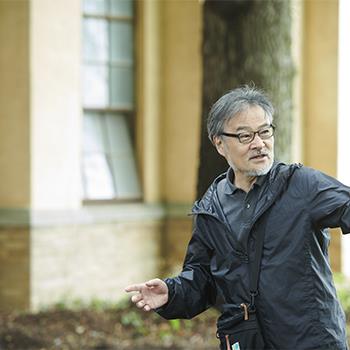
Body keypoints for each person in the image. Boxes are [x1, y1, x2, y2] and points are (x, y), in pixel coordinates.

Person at [125, 86, 349, 349]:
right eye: (245, 136)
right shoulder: (211, 207)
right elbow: (202, 279)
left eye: (265, 131)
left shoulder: (303, 186)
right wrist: (171, 293)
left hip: (310, 341)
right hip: (245, 339)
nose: (259, 143)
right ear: (219, 143)